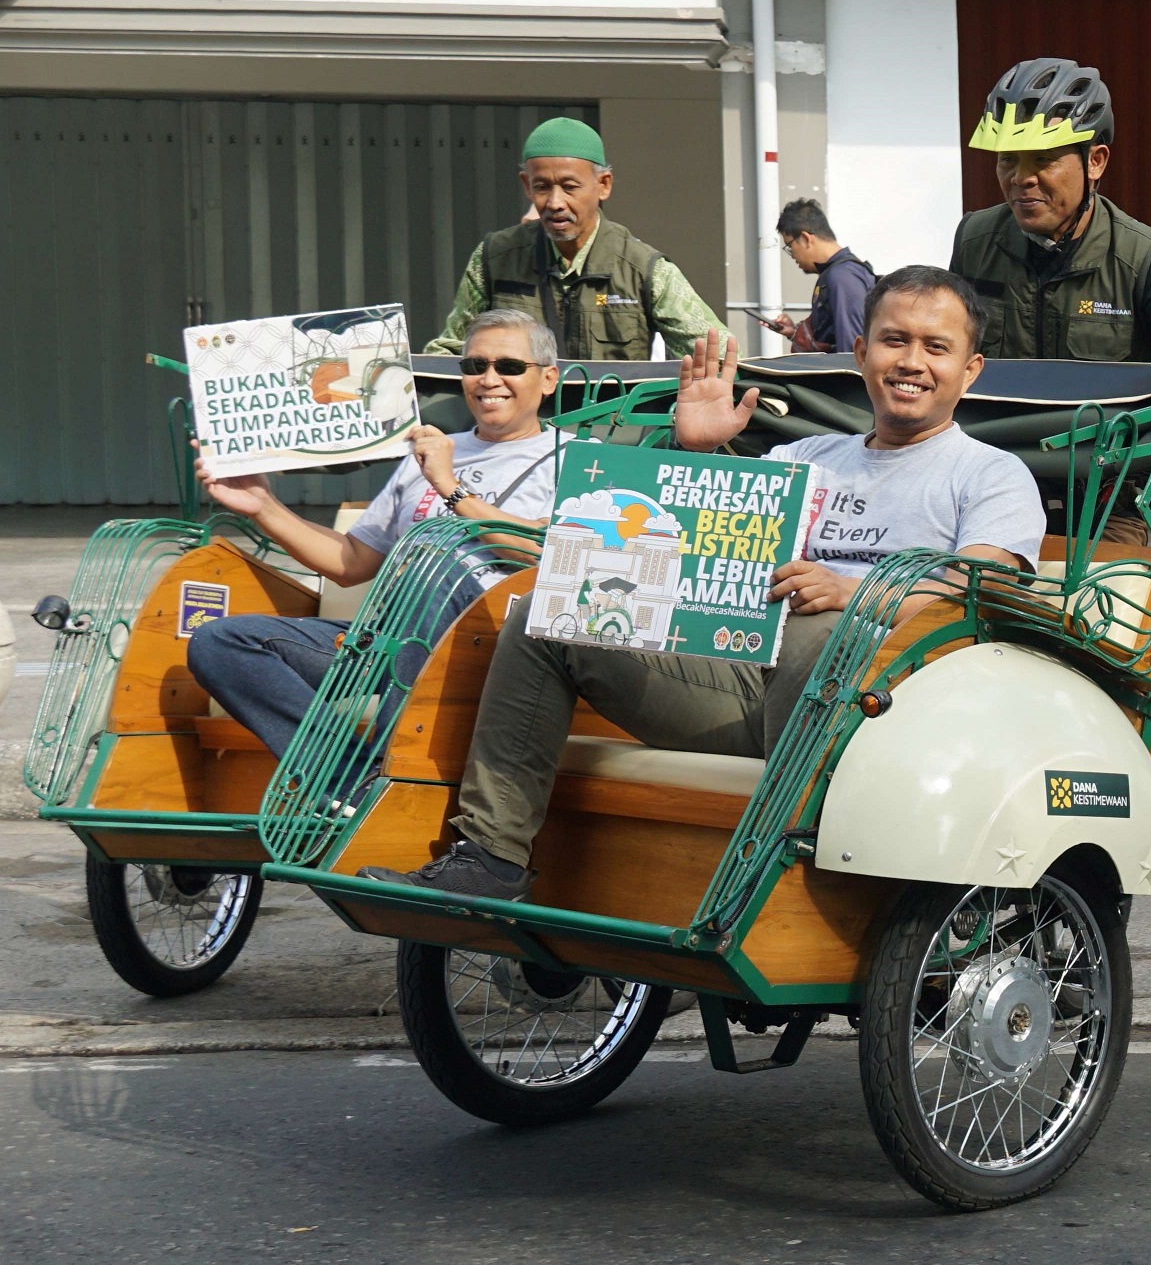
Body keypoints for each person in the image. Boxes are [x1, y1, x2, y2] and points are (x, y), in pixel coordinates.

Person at [361, 267, 1047, 899]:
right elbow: (702, 547)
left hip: (868, 705)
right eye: (895, 341)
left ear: (969, 367)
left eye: (936, 346)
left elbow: (978, 586)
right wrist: (699, 452)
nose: (912, 362)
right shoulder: (803, 457)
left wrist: (852, 592)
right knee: (548, 610)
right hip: (738, 682)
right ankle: (490, 856)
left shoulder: (988, 473)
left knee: (832, 627)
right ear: (862, 351)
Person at [186, 310, 568, 760]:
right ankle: (343, 777)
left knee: (435, 557)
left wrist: (449, 486)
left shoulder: (574, 457)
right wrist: (263, 506)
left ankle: (387, 773)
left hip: (491, 649)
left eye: (508, 366)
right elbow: (352, 562)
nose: (488, 379)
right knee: (222, 643)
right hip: (390, 638)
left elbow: (547, 556)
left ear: (547, 380)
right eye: (474, 366)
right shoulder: (430, 449)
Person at [950, 57, 1151, 364]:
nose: (1021, 178)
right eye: (1007, 159)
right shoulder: (974, 240)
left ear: (1095, 161)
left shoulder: (1144, 259)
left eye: (1043, 159)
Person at [424, 117, 724, 361]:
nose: (555, 202)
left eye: (570, 187)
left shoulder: (644, 270)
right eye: (542, 187)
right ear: (526, 185)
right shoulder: (495, 258)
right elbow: (451, 350)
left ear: (603, 185)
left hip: (614, 430)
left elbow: (719, 356)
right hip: (518, 432)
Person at [769, 198, 876, 353]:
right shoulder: (836, 274)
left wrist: (847, 376)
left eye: (790, 246)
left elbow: (851, 351)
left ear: (806, 238)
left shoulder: (842, 277)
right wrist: (794, 333)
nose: (792, 255)